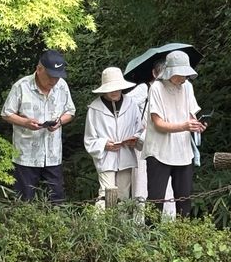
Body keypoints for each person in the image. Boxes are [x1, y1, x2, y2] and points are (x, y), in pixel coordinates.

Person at [1, 50, 75, 203]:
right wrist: (25, 123)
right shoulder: (21, 86)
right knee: (24, 200)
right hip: (26, 154)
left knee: (56, 199)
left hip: (53, 153)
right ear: (39, 69)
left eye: (57, 76)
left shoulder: (62, 86)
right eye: (50, 76)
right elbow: (6, 113)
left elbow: (70, 111)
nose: (54, 81)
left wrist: (59, 122)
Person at [142, 50, 205, 217]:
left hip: (183, 150)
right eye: (180, 74)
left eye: (186, 74)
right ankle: (152, 239)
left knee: (184, 199)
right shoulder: (156, 87)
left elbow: (192, 114)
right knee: (156, 200)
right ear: (170, 71)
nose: (183, 78)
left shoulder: (188, 87)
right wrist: (184, 126)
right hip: (159, 150)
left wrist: (196, 125)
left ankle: (182, 238)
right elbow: (158, 123)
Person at [84, 67, 143, 208]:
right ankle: (100, 229)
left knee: (123, 196)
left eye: (118, 88)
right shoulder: (95, 108)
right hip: (106, 157)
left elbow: (140, 129)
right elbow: (89, 138)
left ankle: (120, 228)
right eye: (112, 89)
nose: (115, 91)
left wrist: (134, 140)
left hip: (126, 156)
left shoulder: (131, 104)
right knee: (105, 195)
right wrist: (104, 144)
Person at [126, 60, 176, 218]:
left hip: (165, 144)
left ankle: (168, 222)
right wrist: (139, 127)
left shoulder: (171, 91)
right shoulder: (144, 89)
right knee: (142, 184)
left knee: (167, 185)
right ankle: (141, 224)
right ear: (154, 73)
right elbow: (125, 106)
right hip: (144, 144)